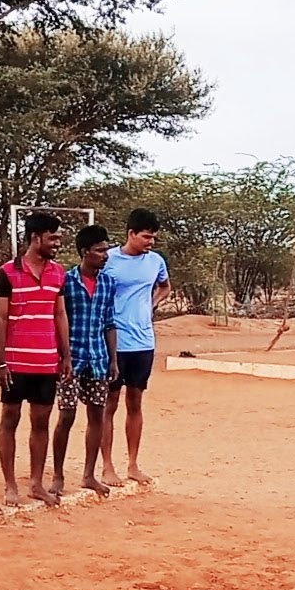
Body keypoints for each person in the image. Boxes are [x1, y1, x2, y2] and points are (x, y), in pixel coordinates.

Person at [0, 212, 71, 508]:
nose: (57, 243)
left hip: (46, 362)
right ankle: (10, 484)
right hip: (15, 363)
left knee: (41, 422)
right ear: (35, 238)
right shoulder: (7, 273)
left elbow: (59, 314)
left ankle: (36, 483)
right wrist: (0, 362)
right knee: (9, 419)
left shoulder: (58, 273)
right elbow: (0, 320)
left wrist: (66, 355)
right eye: (53, 237)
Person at [101, 208, 171, 486]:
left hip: (143, 342)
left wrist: (151, 305)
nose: (150, 242)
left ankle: (132, 463)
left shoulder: (155, 261)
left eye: (153, 237)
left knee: (136, 402)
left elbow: (165, 287)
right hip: (114, 341)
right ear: (130, 233)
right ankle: (106, 465)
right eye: (145, 236)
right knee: (109, 403)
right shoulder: (109, 260)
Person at [51, 224, 118, 498]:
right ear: (84, 252)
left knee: (97, 416)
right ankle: (57, 475)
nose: (105, 255)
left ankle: (89, 474)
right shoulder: (66, 282)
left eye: (106, 250)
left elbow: (110, 323)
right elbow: (58, 318)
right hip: (71, 359)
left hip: (98, 358)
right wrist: (62, 354)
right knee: (66, 415)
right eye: (100, 250)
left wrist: (113, 360)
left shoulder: (109, 283)